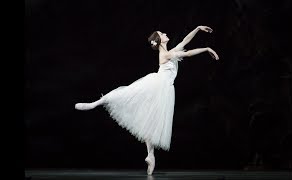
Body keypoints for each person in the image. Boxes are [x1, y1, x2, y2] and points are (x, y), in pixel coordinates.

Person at [75, 25, 219, 175]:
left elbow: (185, 41)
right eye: (162, 34)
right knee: (125, 93)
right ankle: (95, 103)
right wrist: (207, 49)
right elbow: (188, 53)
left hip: (164, 89)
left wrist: (197, 29)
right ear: (160, 40)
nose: (165, 33)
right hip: (157, 85)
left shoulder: (170, 51)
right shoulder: (165, 55)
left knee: (150, 121)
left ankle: (150, 155)